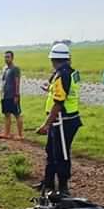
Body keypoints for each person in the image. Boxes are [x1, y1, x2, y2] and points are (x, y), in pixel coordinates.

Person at [36, 43, 82, 196]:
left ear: (54, 59)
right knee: (51, 151)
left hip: (64, 120)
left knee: (61, 154)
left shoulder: (62, 75)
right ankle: (48, 182)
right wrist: (49, 88)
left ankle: (63, 187)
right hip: (64, 119)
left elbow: (59, 102)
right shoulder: (70, 72)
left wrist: (46, 124)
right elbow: (64, 90)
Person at [0, 51, 23, 139]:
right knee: (6, 114)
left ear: (12, 58)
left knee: (17, 114)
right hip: (5, 95)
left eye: (8, 57)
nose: (6, 59)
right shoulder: (5, 69)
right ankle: (7, 133)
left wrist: (16, 95)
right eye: (5, 57)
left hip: (13, 95)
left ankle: (20, 135)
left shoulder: (15, 69)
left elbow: (17, 82)